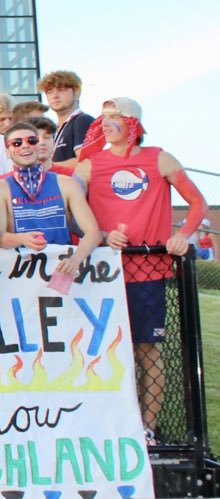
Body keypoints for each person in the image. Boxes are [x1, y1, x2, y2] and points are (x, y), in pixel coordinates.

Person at [73, 97, 208, 443]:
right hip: (103, 274)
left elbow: (198, 202)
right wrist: (101, 234)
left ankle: (148, 428)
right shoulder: (89, 166)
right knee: (107, 352)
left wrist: (182, 235)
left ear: (133, 123)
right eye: (103, 118)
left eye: (114, 117)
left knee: (148, 350)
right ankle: (115, 425)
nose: (105, 124)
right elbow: (70, 210)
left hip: (149, 272)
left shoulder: (160, 159)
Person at [0, 122, 102, 270]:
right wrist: (21, 239)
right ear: (7, 152)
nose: (25, 146)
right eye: (17, 143)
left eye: (31, 141)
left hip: (60, 268)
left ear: (38, 146)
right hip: (19, 271)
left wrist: (76, 259)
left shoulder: (67, 183)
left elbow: (93, 232)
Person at [38, 70, 95, 167]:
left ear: (76, 92)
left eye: (61, 90)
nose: (55, 96)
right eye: (50, 91)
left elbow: (85, 162)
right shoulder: (53, 129)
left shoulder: (83, 120)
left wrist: (45, 168)